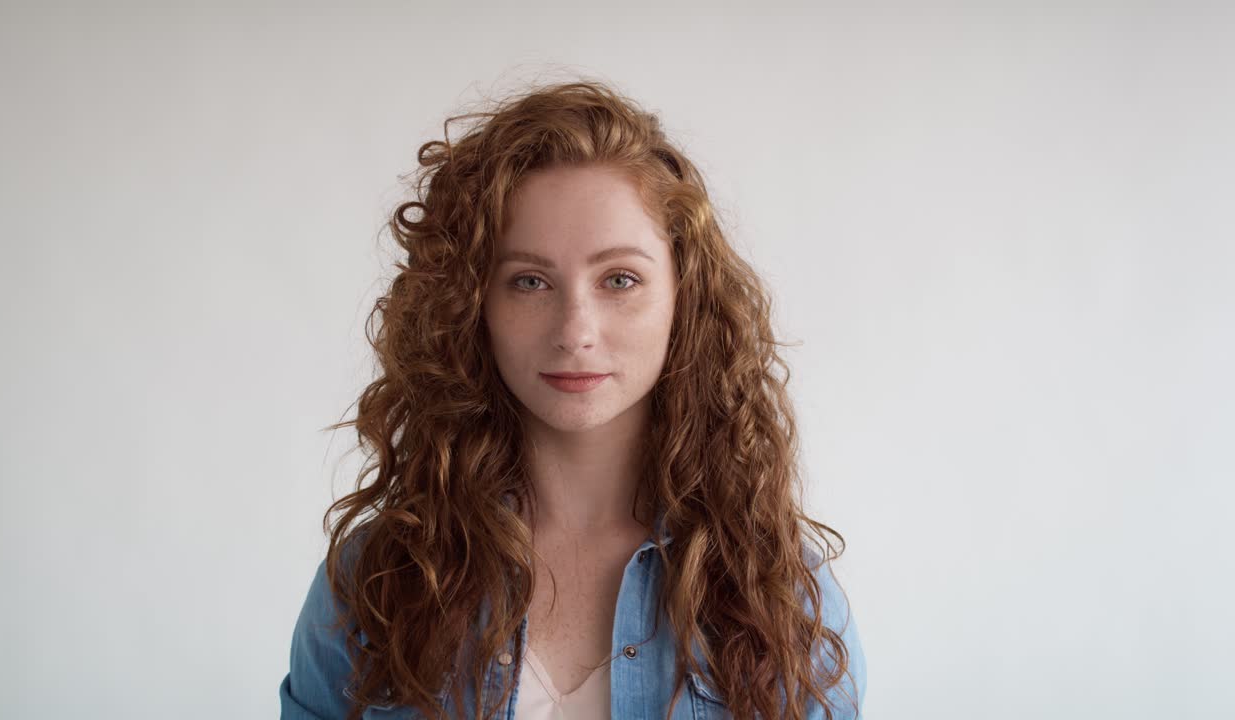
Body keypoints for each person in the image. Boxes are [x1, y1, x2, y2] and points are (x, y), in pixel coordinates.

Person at [278, 79, 866, 720]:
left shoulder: (778, 593)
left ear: (684, 298)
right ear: (473, 305)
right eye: (529, 281)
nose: (575, 331)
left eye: (620, 279)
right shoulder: (378, 579)